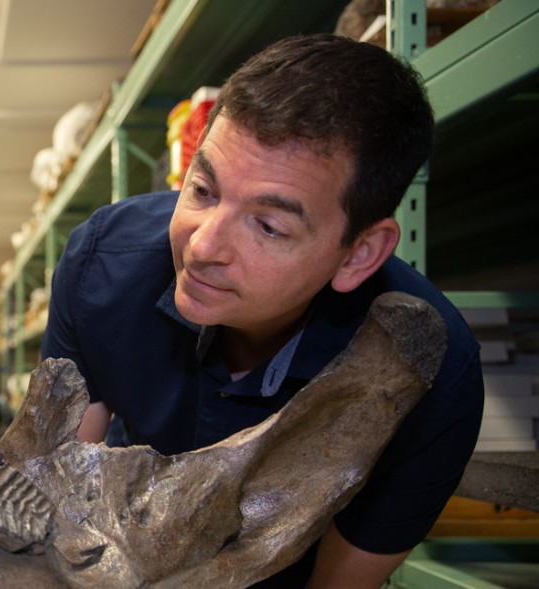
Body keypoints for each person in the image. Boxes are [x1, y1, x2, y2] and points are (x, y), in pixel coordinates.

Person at [42, 34, 483, 587]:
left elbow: (339, 583)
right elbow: (60, 490)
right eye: (202, 189)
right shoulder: (100, 268)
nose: (202, 248)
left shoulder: (432, 378)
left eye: (268, 225)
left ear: (359, 253)